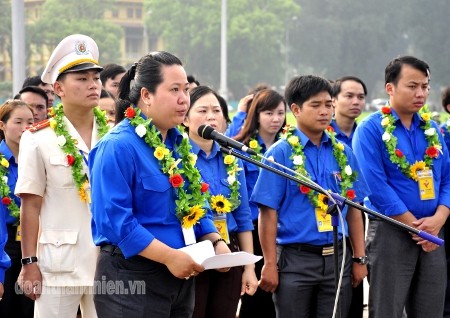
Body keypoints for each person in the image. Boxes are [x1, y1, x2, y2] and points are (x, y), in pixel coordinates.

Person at [89, 52, 231, 318]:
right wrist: (168, 257)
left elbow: (195, 201)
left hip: (180, 276)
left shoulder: (180, 144)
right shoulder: (117, 146)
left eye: (186, 90)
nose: (183, 99)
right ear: (146, 95)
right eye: (174, 90)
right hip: (132, 278)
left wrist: (214, 239)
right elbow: (116, 221)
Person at [251, 75, 369, 318]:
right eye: (316, 105)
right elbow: (267, 213)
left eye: (328, 104)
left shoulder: (343, 152)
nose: (324, 111)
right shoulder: (279, 154)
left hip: (337, 257)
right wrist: (270, 264)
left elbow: (354, 208)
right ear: (295, 109)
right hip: (296, 260)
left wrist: (359, 258)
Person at [15, 34, 107, 318]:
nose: (92, 84)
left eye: (95, 77)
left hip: (108, 261)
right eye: (81, 78)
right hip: (58, 262)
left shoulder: (113, 134)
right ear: (58, 88)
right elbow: (30, 205)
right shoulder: (37, 138)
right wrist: (29, 262)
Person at [352, 56, 450, 318]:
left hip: (433, 232)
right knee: (387, 310)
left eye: (426, 86)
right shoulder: (370, 129)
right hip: (391, 232)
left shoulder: (432, 129)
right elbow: (375, 186)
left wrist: (439, 218)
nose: (421, 93)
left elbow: (447, 179)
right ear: (390, 88)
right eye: (413, 86)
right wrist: (417, 228)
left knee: (431, 311)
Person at [183, 86, 257, 318]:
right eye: (202, 110)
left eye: (216, 111)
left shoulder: (232, 160)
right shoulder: (175, 158)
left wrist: (249, 268)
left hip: (229, 252)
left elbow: (243, 217)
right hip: (192, 253)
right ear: (185, 118)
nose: (211, 116)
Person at [233, 89, 286, 318]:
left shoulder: (289, 150)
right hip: (253, 231)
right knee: (256, 296)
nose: (275, 119)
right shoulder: (240, 148)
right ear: (256, 115)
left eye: (280, 113)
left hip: (282, 230)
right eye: (269, 113)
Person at [330, 76, 368, 318]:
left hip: (360, 214)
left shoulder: (367, 134)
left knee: (354, 293)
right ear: (333, 100)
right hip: (330, 223)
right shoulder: (321, 135)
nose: (356, 102)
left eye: (361, 97)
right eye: (349, 96)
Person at [0, 100, 35, 317]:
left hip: (32, 244)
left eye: (30, 122)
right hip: (6, 244)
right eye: (18, 122)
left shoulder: (37, 157)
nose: (25, 128)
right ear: (2, 125)